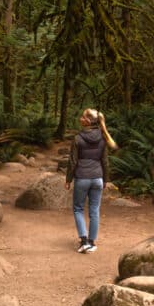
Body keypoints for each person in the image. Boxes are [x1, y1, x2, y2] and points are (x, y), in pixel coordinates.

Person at [64, 108, 116, 253]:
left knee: (78, 209)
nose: (80, 118)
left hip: (82, 178)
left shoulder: (78, 138)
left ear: (87, 121)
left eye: (82, 117)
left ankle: (84, 241)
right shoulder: (103, 137)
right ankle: (92, 243)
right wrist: (105, 179)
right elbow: (105, 161)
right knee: (94, 210)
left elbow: (73, 161)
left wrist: (68, 179)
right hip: (97, 178)